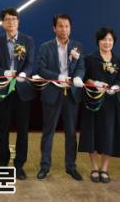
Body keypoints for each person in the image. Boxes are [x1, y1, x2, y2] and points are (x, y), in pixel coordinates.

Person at [34, 14, 86, 181]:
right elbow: (41, 69)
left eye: (67, 26)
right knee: (48, 132)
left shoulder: (77, 46)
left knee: (71, 133)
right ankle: (44, 166)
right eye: (61, 26)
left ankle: (71, 166)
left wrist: (77, 77)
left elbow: (81, 67)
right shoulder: (45, 47)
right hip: (52, 93)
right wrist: (58, 77)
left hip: (71, 95)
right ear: (54, 28)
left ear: (70, 28)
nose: (64, 29)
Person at [0, 7, 35, 180]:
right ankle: (3, 163)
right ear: (2, 23)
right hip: (4, 89)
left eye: (14, 19)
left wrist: (24, 74)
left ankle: (19, 165)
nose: (11, 22)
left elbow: (30, 63)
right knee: (3, 128)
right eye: (8, 19)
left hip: (23, 90)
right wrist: (4, 72)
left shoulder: (28, 40)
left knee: (22, 129)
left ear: (18, 22)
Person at [78, 27, 120, 183]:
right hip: (93, 101)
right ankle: (94, 167)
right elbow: (84, 78)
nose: (107, 42)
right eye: (104, 39)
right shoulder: (90, 58)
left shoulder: (118, 60)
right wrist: (95, 83)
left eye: (110, 40)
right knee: (92, 133)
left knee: (109, 134)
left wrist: (116, 86)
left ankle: (104, 168)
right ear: (98, 41)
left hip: (111, 103)